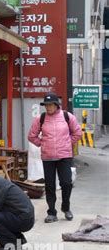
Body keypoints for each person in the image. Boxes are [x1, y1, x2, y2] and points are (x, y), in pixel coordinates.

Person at [27, 93, 82, 223]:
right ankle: (51, 212)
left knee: (66, 183)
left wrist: (68, 143)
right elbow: (32, 136)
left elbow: (78, 133)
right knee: (50, 185)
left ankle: (66, 207)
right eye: (46, 105)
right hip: (48, 157)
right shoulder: (40, 118)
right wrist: (42, 144)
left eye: (50, 105)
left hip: (64, 156)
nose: (48, 107)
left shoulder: (67, 117)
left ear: (57, 105)